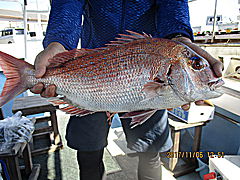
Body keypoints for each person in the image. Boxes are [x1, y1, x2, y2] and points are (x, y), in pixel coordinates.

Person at [31, 0, 222, 179]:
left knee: (150, 151)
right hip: (92, 69)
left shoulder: (167, 69)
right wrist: (59, 42)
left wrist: (179, 37)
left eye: (195, 65)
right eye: (196, 66)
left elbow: (172, 4)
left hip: (150, 63)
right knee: (88, 151)